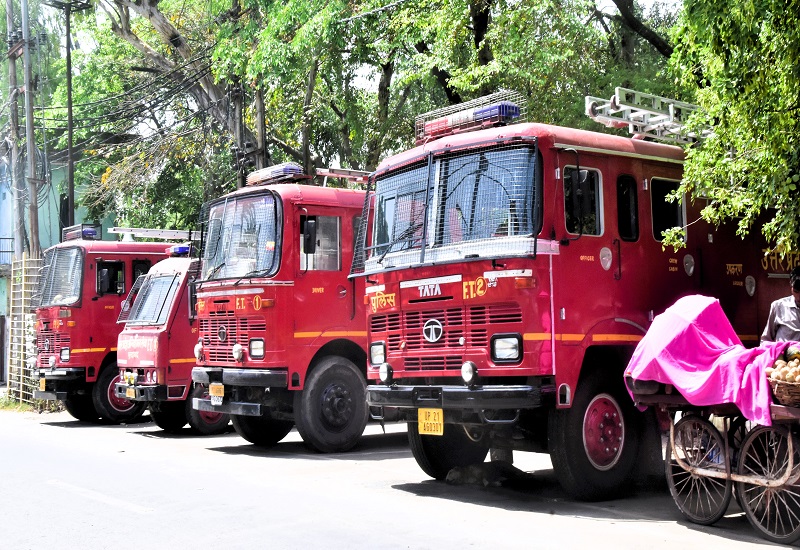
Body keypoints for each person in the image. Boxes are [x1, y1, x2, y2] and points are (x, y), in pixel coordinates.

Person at [761, 266, 800, 343]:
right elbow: (765, 340)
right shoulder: (778, 306)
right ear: (791, 287)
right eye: (796, 291)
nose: (799, 297)